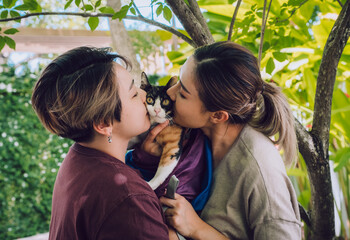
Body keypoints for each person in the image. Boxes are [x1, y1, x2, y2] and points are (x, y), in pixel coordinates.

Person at [149, 41, 302, 239]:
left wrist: (197, 228)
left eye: (183, 93)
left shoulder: (260, 169)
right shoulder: (193, 134)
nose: (170, 93)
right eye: (178, 81)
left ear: (218, 116)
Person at [31, 46, 170, 239]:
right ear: (104, 124)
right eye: (133, 94)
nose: (144, 95)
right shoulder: (130, 198)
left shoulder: (78, 156)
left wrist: (143, 160)